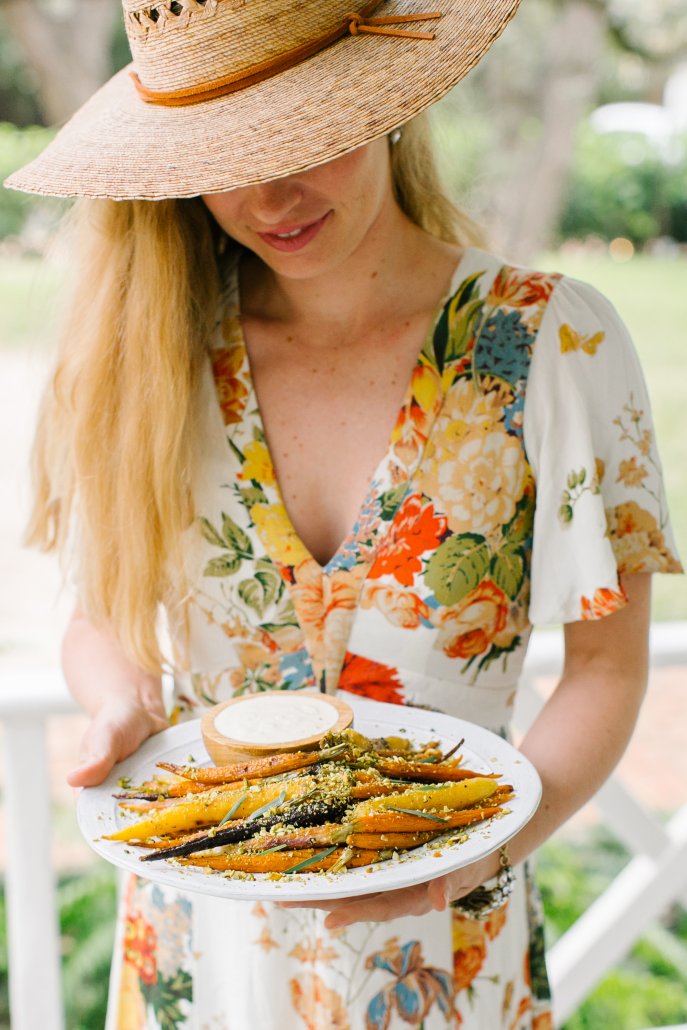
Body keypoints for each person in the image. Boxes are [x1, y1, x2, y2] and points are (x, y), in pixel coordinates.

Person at [6, 1, 682, 1027]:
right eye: (222, 152)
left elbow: (607, 665)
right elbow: (101, 616)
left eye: (300, 134)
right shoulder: (141, 356)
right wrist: (118, 704)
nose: (268, 194)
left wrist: (475, 854)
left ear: (383, 103)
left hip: (445, 951)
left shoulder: (550, 343)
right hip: (197, 947)